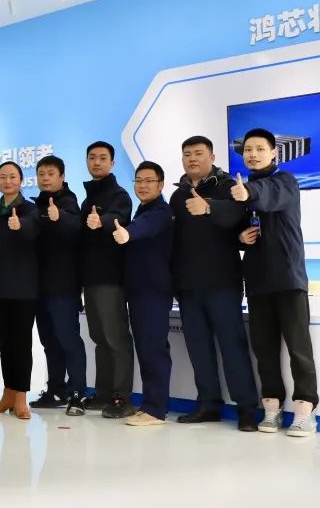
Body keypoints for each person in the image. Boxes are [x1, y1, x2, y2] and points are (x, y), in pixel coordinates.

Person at [169, 136, 258, 432]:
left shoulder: (228, 186)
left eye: (198, 153)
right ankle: (208, 403)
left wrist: (208, 206)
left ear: (212, 156)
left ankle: (246, 409)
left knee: (233, 347)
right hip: (188, 286)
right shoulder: (177, 196)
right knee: (198, 348)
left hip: (223, 283)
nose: (192, 159)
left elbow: (239, 216)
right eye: (187, 154)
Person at [233, 128, 318, 436]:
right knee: (264, 350)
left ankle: (305, 410)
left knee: (299, 349)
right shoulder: (241, 190)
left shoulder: (285, 181)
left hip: (288, 279)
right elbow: (236, 226)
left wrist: (248, 194)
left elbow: (269, 195)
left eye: (259, 149)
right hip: (258, 282)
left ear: (273, 153)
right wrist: (241, 237)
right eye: (248, 150)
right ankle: (272, 407)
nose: (253, 154)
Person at [112, 161, 172, 425]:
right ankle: (150, 405)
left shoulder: (160, 211)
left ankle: (155, 409)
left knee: (153, 349)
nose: (143, 185)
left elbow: (145, 226)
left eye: (149, 181)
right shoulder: (142, 209)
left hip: (153, 291)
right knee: (147, 349)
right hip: (139, 291)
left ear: (160, 185)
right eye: (138, 180)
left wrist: (127, 233)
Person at [79, 141, 135, 418]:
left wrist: (100, 221)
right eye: (92, 157)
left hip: (110, 279)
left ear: (112, 163)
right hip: (90, 279)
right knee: (99, 338)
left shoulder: (119, 194)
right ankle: (102, 393)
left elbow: (118, 217)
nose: (97, 162)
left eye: (103, 158)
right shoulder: (88, 197)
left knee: (116, 339)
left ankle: (122, 398)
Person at [0, 162, 39, 420]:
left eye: (12, 176)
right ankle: (8, 392)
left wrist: (20, 226)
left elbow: (33, 229)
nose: (7, 181)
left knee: (21, 344)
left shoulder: (30, 209)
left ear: (21, 180)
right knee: (5, 344)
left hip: (23, 289)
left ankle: (21, 397)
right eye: (3, 177)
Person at [31, 155, 87, 416]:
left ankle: (78, 393)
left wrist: (60, 216)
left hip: (63, 286)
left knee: (68, 339)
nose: (45, 178)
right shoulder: (37, 204)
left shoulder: (68, 202)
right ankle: (55, 390)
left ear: (62, 177)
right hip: (39, 287)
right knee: (49, 342)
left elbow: (76, 227)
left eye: (50, 173)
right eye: (41, 174)